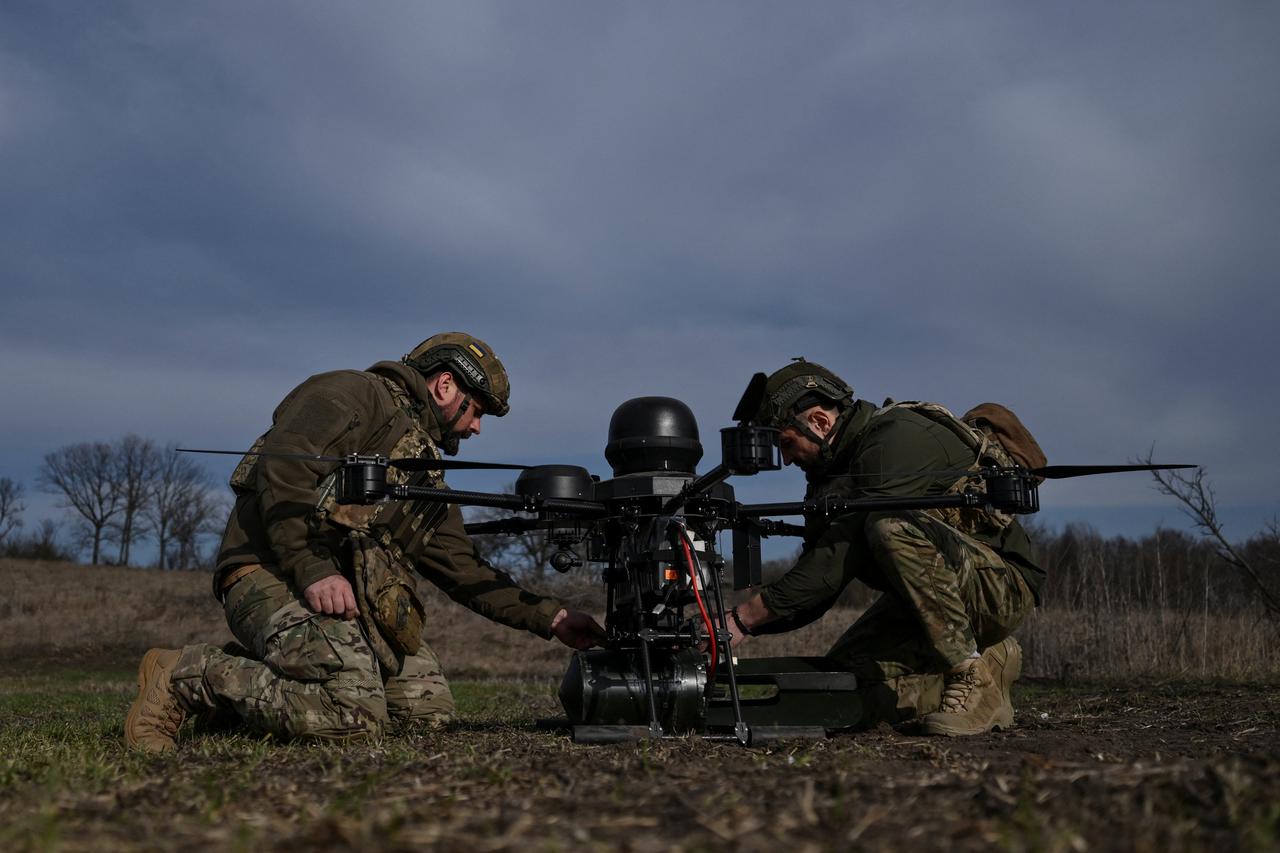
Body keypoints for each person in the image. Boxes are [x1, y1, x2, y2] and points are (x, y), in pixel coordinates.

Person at [125, 332, 604, 751]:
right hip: (268, 571)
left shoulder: (425, 471)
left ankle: (245, 700)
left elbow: (464, 569)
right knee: (351, 714)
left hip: (346, 602)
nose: (476, 427)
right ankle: (186, 676)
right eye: (476, 411)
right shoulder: (352, 393)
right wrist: (314, 568)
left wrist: (553, 618)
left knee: (425, 711)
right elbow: (284, 470)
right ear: (445, 385)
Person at [727, 359, 1042, 736]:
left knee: (888, 524)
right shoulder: (827, 479)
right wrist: (732, 627)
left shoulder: (895, 437)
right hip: (922, 606)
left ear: (820, 422)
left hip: (1000, 589)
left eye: (787, 444)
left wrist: (743, 618)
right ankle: (989, 663)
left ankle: (969, 674)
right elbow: (817, 585)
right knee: (843, 689)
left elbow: (836, 560)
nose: (787, 459)